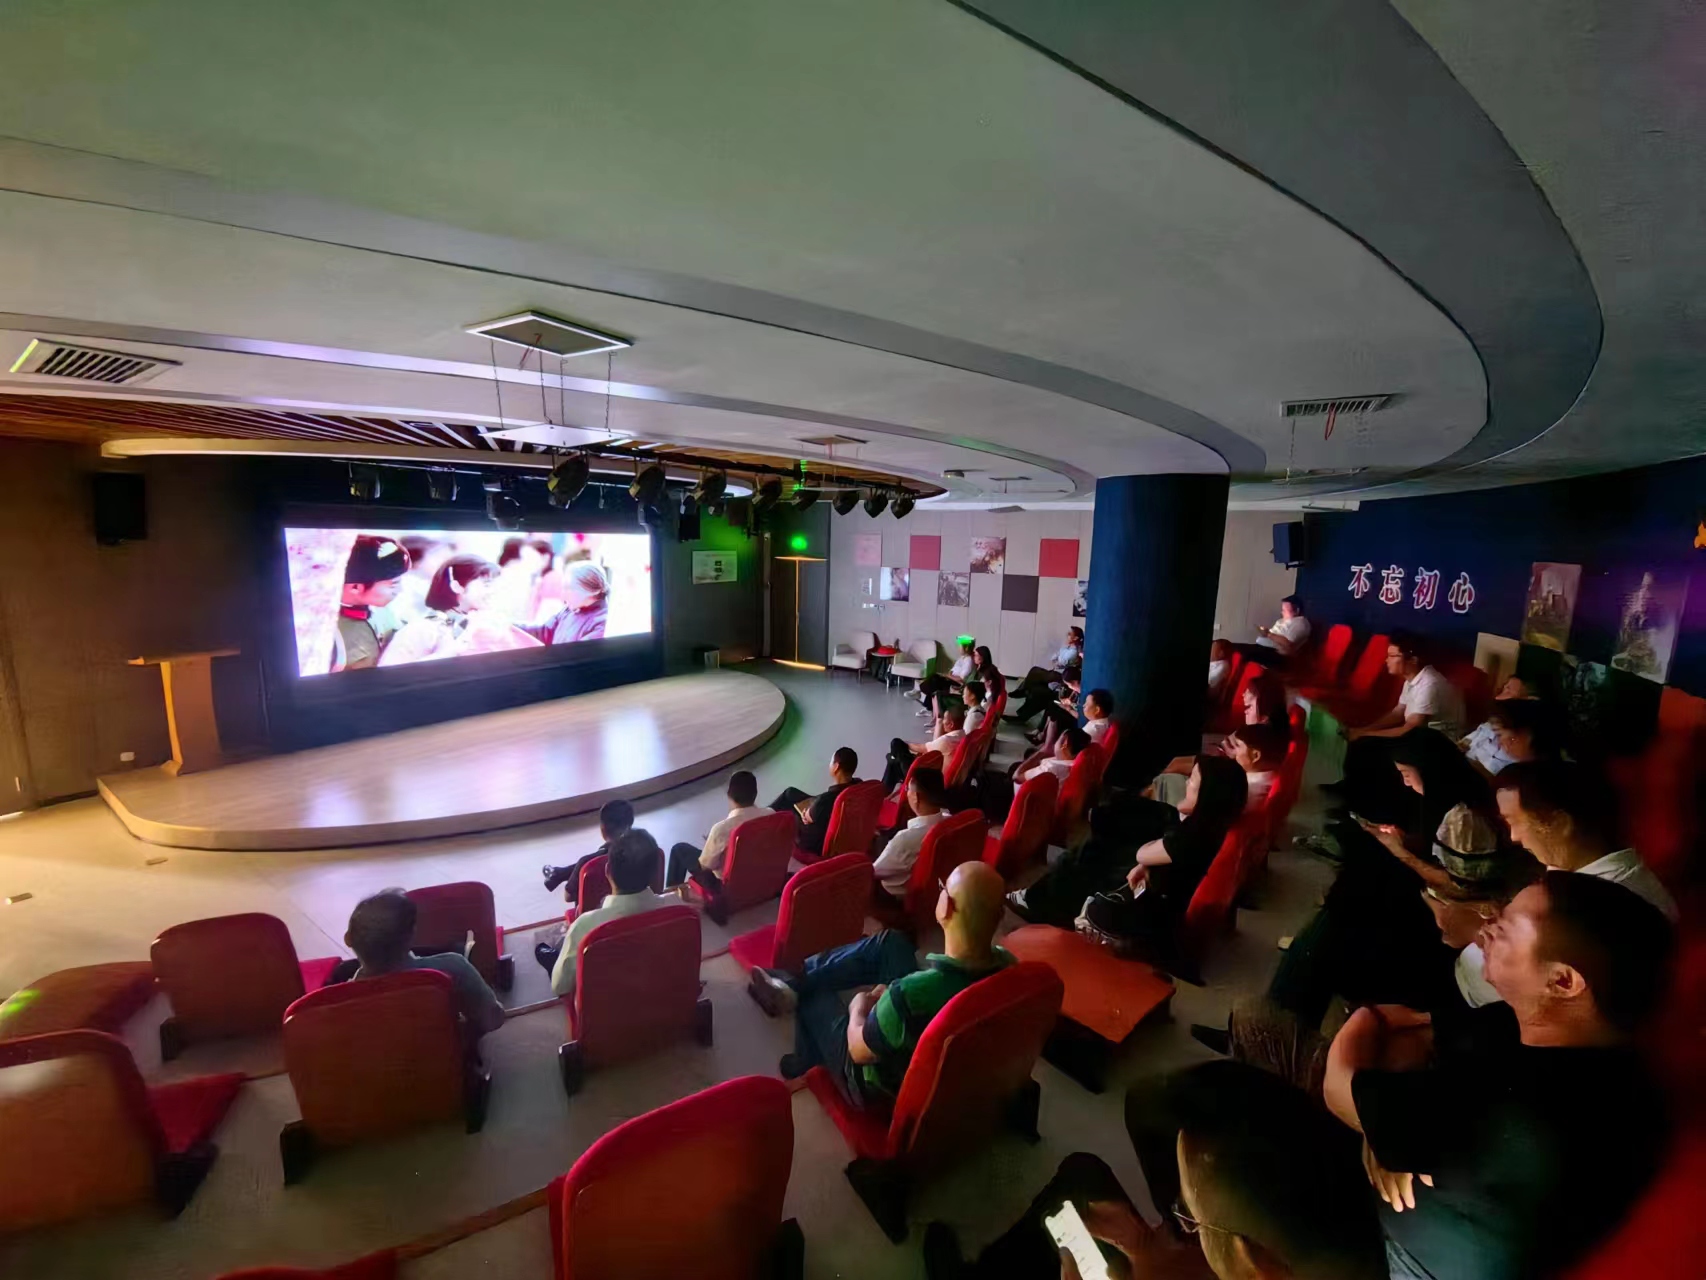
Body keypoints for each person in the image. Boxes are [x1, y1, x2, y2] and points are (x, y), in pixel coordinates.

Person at [1324, 872, 1673, 1280]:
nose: (1486, 928)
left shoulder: (1520, 1106)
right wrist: (1377, 1126)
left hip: (1409, 1262)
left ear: (1562, 980)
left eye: (1505, 928)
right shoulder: (1563, 1038)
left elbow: (1338, 1086)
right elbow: (1417, 1031)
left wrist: (1364, 1016)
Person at [747, 861, 1013, 1105]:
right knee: (892, 943)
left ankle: (802, 1057)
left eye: (943, 888)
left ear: (946, 908)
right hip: (919, 1016)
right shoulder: (1009, 966)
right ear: (1000, 915)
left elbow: (858, 1049)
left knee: (816, 990)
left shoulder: (909, 993)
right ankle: (791, 985)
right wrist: (889, 1003)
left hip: (871, 1082)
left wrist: (859, 1006)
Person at [1452, 760, 1679, 1007]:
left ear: (1560, 824)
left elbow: (1486, 981)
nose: (1514, 837)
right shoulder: (1592, 872)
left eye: (1514, 822)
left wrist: (1473, 931)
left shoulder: (1596, 907)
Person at [1074, 756, 1248, 963]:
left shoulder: (1191, 836)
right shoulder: (1214, 827)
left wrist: (1145, 861)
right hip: (1165, 904)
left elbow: (1142, 854)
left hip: (1159, 922)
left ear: (1207, 795)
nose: (1186, 783)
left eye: (1193, 780)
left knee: (1093, 900)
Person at [344, 888, 505, 1044]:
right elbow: (493, 1020)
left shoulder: (341, 998)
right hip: (444, 1058)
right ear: (413, 935)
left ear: (348, 939)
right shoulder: (453, 968)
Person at [546, 830, 674, 998]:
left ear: (607, 871)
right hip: (656, 998)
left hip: (603, 1009)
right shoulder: (674, 910)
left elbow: (560, 987)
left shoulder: (585, 926)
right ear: (655, 873)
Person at [377, 554, 543, 666]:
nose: (493, 591)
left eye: (494, 585)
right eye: (486, 584)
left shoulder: (483, 622)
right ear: (456, 586)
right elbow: (388, 676)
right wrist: (446, 653)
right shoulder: (422, 628)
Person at [665, 771, 768, 919]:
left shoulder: (721, 829)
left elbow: (705, 866)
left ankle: (669, 902)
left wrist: (711, 844)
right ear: (756, 793)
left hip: (726, 886)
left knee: (679, 849)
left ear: (729, 795)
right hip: (758, 874)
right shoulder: (770, 814)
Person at [869, 766, 949, 900]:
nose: (906, 793)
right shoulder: (949, 820)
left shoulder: (905, 840)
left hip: (898, 894)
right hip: (935, 883)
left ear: (916, 797)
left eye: (907, 789)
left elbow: (874, 872)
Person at [333, 536, 410, 671]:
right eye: (393, 585)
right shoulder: (328, 632)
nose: (400, 590)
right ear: (355, 587)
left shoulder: (386, 608)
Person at [770, 747, 859, 859]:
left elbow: (807, 817)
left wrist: (806, 813)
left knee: (787, 809)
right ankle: (767, 812)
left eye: (831, 762)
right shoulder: (857, 785)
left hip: (816, 839)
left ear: (836, 767)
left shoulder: (826, 799)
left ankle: (764, 819)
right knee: (790, 793)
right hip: (830, 817)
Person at [541, 799, 634, 902]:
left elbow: (568, 897)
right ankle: (559, 873)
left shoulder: (587, 862)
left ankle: (559, 874)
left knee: (588, 864)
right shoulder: (644, 850)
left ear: (602, 828)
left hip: (602, 910)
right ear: (631, 824)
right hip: (638, 906)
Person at [526, 561, 610, 645]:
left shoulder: (601, 624)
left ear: (589, 590)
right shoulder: (569, 610)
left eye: (568, 588)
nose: (563, 595)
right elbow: (545, 631)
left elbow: (577, 652)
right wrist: (517, 627)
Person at [883, 705, 965, 790]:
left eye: (944, 719)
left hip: (933, 781)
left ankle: (891, 762)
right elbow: (934, 743)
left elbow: (922, 748)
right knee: (894, 763)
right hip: (939, 774)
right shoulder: (962, 735)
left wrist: (903, 743)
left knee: (896, 744)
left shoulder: (947, 741)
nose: (943, 721)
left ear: (951, 724)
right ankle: (892, 761)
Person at [1228, 596, 1311, 669]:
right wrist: (1265, 633)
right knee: (1228, 647)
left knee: (1240, 653)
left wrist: (1268, 634)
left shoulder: (1300, 623)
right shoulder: (1281, 621)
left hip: (1276, 655)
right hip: (1262, 647)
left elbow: (1288, 644)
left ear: (1297, 610)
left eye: (1284, 610)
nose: (1281, 612)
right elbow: (1272, 634)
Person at [1010, 627, 1085, 702]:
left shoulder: (1073, 652)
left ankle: (1022, 691)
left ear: (1075, 638)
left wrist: (1057, 660)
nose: (1067, 635)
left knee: (1035, 672)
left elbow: (1059, 663)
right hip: (1056, 671)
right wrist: (1056, 660)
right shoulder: (1066, 647)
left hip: (1061, 676)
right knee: (1034, 673)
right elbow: (1054, 657)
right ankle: (1023, 690)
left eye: (1070, 634)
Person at [1225, 720, 1286, 812]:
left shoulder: (1247, 793)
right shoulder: (1273, 774)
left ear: (1255, 755)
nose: (1233, 752)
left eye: (1237, 746)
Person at [915, 638, 977, 717]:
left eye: (960, 646)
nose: (958, 648)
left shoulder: (969, 661)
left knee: (935, 681)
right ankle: (927, 706)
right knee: (934, 679)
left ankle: (922, 696)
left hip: (957, 683)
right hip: (951, 679)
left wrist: (948, 676)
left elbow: (962, 678)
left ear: (966, 648)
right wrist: (948, 675)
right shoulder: (962, 658)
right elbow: (952, 670)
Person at [1207, 638, 1234, 703]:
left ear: (1221, 653)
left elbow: (1210, 681)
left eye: (1213, 648)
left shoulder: (1223, 666)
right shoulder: (1213, 662)